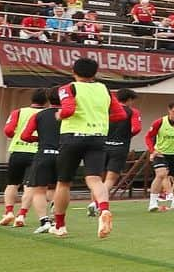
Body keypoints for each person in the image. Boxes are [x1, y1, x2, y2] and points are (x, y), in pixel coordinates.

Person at [51, 56, 128, 238]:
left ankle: (60, 225)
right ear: (95, 73)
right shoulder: (104, 89)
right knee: (94, 178)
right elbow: (121, 114)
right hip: (98, 137)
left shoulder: (68, 88)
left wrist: (59, 115)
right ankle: (103, 209)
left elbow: (68, 110)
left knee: (63, 182)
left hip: (73, 137)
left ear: (73, 72)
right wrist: (99, 120)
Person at [89, 88, 143, 217]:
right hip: (119, 147)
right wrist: (126, 136)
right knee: (110, 179)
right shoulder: (132, 112)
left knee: (97, 178)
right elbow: (136, 128)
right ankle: (97, 203)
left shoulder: (106, 109)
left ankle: (92, 203)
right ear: (129, 100)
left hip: (102, 145)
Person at [0, 89, 46, 227]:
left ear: (32, 99)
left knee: (12, 184)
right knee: (29, 186)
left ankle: (8, 212)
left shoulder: (18, 112)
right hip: (36, 152)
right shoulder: (46, 114)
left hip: (18, 150)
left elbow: (8, 130)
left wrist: (17, 135)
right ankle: (22, 215)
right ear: (46, 101)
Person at [20, 89, 61, 234]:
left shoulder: (39, 115)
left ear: (48, 99)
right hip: (64, 155)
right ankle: (59, 221)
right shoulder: (71, 116)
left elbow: (24, 136)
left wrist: (40, 139)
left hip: (44, 154)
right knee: (61, 188)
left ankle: (44, 221)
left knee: (39, 190)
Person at [145, 101, 174, 211]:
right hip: (161, 153)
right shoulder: (160, 122)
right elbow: (148, 137)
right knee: (161, 174)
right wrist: (152, 150)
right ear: (169, 111)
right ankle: (153, 203)